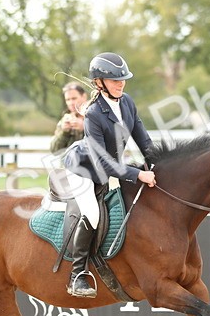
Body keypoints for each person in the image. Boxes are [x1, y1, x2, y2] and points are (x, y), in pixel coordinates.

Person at [61, 52, 157, 297]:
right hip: (83, 168)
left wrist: (158, 164)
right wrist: (137, 174)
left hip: (109, 166)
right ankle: (77, 275)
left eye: (123, 79)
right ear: (99, 83)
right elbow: (102, 160)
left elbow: (144, 141)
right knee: (92, 213)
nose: (121, 83)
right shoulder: (93, 113)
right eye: (115, 80)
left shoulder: (127, 102)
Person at [49, 82, 87, 154]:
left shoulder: (95, 116)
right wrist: (64, 132)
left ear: (84, 97)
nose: (71, 103)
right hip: (69, 164)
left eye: (74, 98)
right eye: (68, 100)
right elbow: (54, 151)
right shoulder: (65, 119)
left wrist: (84, 128)